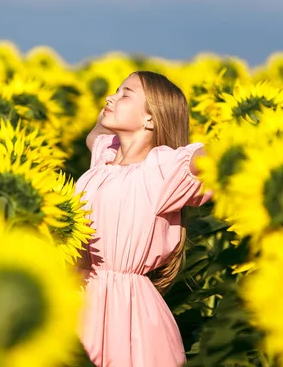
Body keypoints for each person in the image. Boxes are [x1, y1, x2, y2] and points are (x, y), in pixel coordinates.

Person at [75, 71, 212, 367]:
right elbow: (95, 136)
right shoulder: (104, 159)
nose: (111, 97)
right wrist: (115, 103)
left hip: (125, 312)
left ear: (151, 118)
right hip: (78, 294)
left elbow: (207, 159)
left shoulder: (161, 169)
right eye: (115, 90)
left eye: (126, 94)